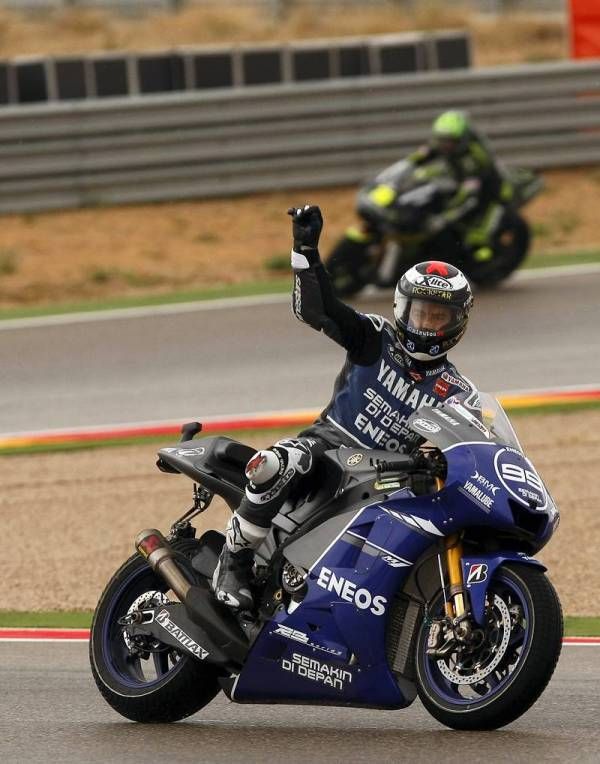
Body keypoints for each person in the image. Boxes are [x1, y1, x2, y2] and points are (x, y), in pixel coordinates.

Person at [212, 204, 479, 610]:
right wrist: (306, 251)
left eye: (438, 317)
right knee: (275, 463)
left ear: (457, 323)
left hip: (386, 482)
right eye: (420, 313)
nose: (426, 325)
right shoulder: (376, 338)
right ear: (401, 309)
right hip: (326, 452)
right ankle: (234, 559)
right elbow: (316, 310)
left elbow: (474, 451)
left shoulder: (459, 391)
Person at [408, 109, 512, 263]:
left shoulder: (475, 156)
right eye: (442, 140)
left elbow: (468, 191)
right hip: (461, 181)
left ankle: (483, 258)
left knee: (477, 239)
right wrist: (411, 163)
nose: (445, 145)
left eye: (449, 142)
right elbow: (421, 155)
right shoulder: (444, 144)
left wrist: (445, 216)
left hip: (489, 192)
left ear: (461, 139)